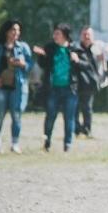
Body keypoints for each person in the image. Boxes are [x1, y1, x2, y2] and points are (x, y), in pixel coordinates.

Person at [34, 23, 90, 152]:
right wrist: (41, 55)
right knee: (50, 116)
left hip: (70, 89)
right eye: (54, 34)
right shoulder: (49, 48)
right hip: (53, 88)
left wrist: (77, 60)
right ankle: (47, 141)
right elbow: (43, 65)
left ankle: (68, 144)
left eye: (57, 34)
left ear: (65, 35)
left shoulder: (74, 48)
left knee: (69, 118)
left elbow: (87, 65)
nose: (55, 36)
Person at [0, 19, 33, 154]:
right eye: (13, 30)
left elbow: (30, 66)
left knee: (16, 115)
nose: (16, 33)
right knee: (0, 115)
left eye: (18, 30)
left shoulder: (23, 48)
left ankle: (15, 143)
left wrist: (22, 64)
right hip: (1, 87)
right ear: (6, 31)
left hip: (17, 87)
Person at [74, 26, 103, 138]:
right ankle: (77, 130)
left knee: (87, 108)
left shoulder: (96, 50)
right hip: (77, 82)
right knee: (75, 108)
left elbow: (99, 68)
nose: (86, 37)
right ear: (81, 36)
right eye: (84, 34)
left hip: (89, 83)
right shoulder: (76, 48)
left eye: (89, 35)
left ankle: (87, 130)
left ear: (93, 36)